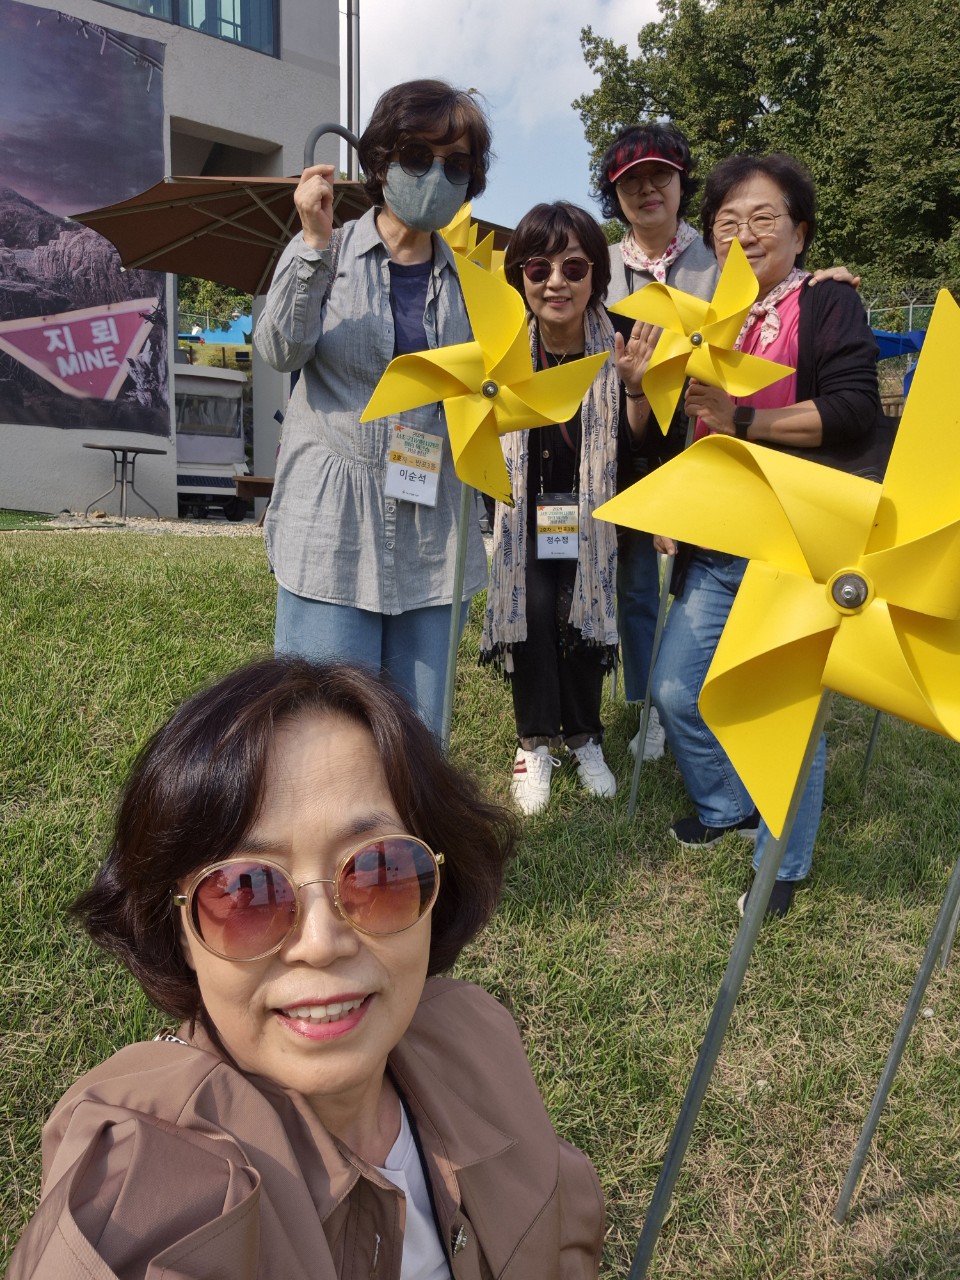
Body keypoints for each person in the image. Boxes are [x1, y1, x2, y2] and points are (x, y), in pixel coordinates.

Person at [6, 658, 605, 1278]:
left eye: (379, 871)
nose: (320, 944)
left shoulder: (478, 1036)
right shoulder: (140, 1184)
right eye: (245, 894)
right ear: (179, 930)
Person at [649, 152, 886, 916]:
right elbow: (687, 421)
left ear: (800, 232)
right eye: (727, 221)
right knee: (677, 689)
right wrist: (676, 506)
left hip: (796, 542)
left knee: (787, 714)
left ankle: (783, 859)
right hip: (717, 539)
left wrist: (745, 418)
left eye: (763, 218)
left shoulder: (827, 303)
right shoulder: (704, 316)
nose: (744, 234)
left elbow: (854, 408)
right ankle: (728, 804)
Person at [255, 80, 492, 738]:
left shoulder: (474, 287)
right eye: (418, 156)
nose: (437, 177)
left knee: (418, 732)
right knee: (323, 725)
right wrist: (311, 244)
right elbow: (278, 348)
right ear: (382, 160)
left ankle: (406, 814)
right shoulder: (325, 251)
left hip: (429, 520)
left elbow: (490, 390)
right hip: (332, 520)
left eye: (457, 165)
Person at [480, 201, 652, 815]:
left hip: (596, 516)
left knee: (582, 620)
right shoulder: (500, 348)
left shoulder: (624, 338)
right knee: (530, 616)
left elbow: (642, 446)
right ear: (520, 278)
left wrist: (635, 387)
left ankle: (584, 736)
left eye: (574, 267)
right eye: (538, 268)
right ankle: (533, 742)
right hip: (521, 513)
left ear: (595, 275)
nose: (556, 282)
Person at [595, 123, 717, 765]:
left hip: (706, 442)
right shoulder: (599, 269)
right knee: (637, 583)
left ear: (681, 182)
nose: (647, 190)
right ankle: (646, 705)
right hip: (629, 441)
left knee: (706, 583)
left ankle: (699, 699)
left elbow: (777, 300)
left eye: (659, 176)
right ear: (614, 195)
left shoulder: (719, 262)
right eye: (630, 181)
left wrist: (820, 280)